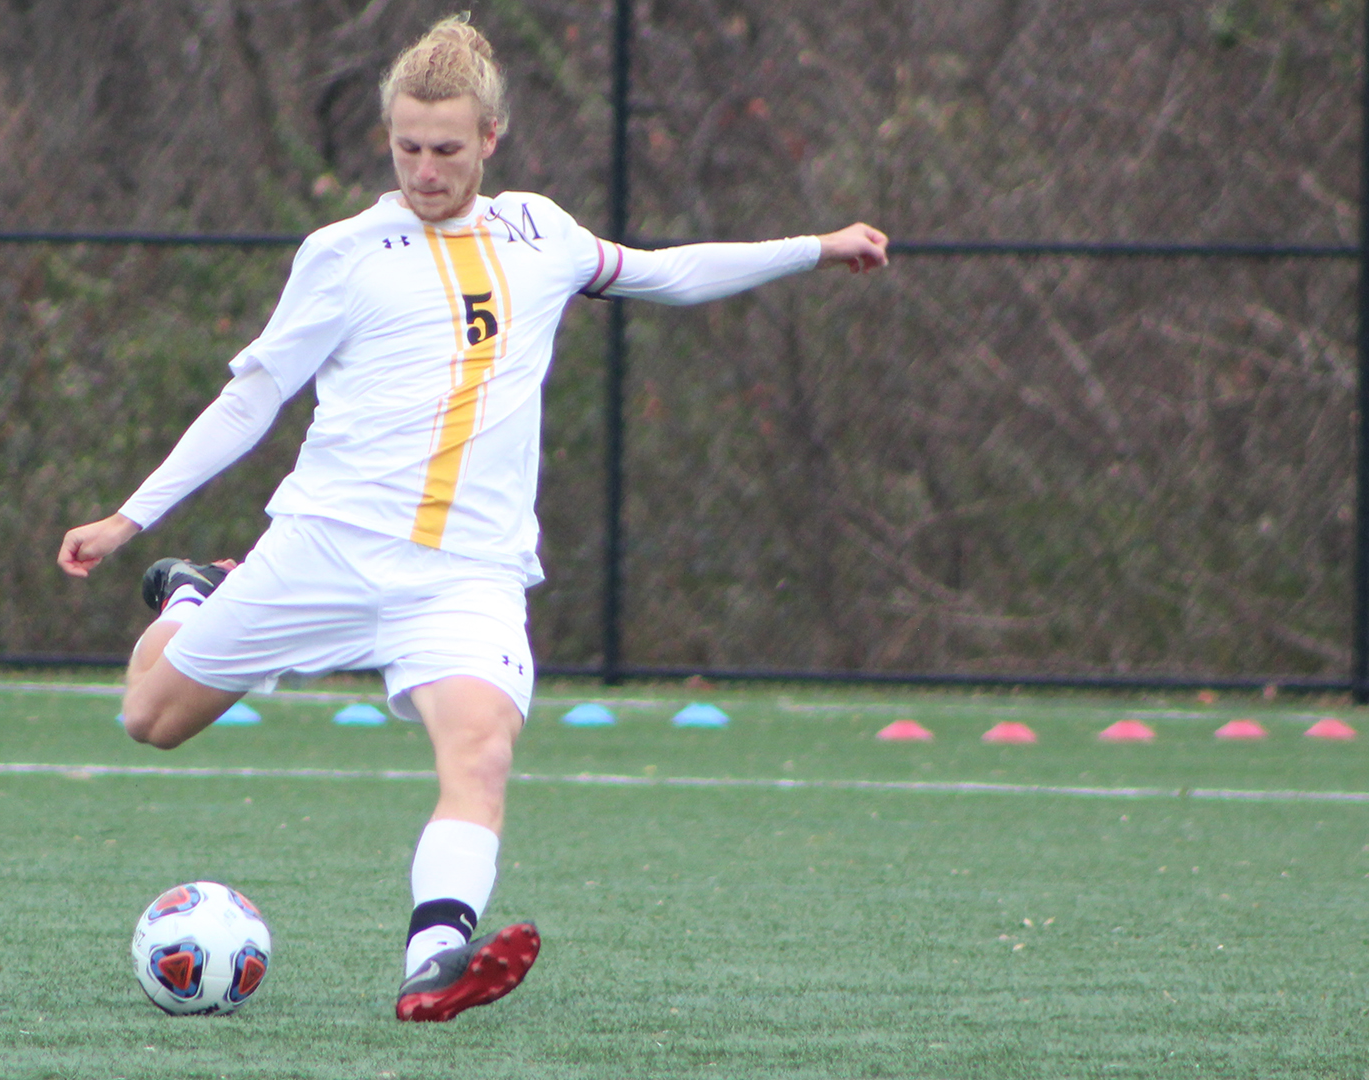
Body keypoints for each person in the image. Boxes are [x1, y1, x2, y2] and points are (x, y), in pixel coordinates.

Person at [58, 13, 888, 1022]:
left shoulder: (540, 232)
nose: (426, 167)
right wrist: (130, 518)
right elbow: (252, 396)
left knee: (480, 749)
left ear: (491, 139)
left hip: (465, 574)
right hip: (327, 546)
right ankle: (195, 593)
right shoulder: (343, 254)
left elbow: (667, 270)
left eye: (447, 148)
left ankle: (435, 958)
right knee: (152, 719)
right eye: (407, 146)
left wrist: (814, 248)